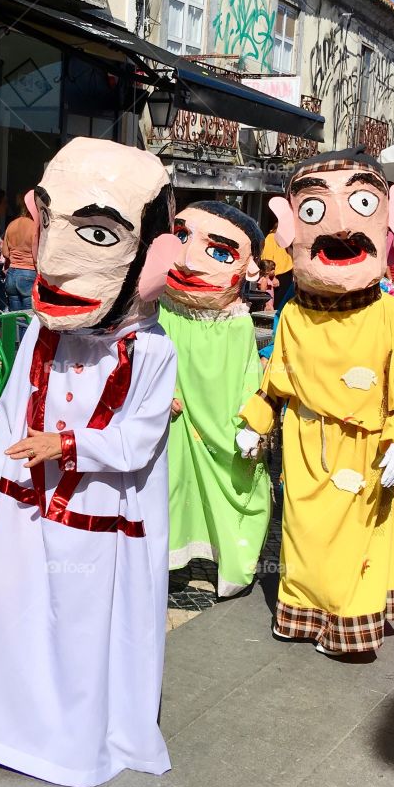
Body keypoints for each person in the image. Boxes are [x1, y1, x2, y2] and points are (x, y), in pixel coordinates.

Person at [0, 138, 180, 787]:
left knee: (76, 627)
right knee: (6, 612)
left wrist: (65, 446)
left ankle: (66, 739)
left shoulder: (151, 351)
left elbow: (138, 441)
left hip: (97, 517)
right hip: (27, 504)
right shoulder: (44, 328)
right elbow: (15, 402)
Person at [237, 150, 394, 658]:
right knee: (301, 537)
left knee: (356, 544)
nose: (340, 227)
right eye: (316, 210)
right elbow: (277, 379)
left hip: (364, 448)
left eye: (360, 203)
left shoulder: (388, 313)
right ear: (291, 224)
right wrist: (256, 422)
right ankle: (302, 617)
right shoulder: (293, 311)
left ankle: (349, 630)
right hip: (303, 440)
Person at [160, 201, 271, 598]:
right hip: (169, 420)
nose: (188, 260)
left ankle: (234, 561)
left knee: (239, 480)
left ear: (248, 269)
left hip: (222, 422)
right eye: (181, 236)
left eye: (221, 252)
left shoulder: (236, 324)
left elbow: (247, 376)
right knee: (171, 482)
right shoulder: (156, 309)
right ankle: (166, 555)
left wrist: (253, 425)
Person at [2, 198, 36, 312]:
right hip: (29, 273)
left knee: (15, 318)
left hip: (11, 274)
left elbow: (5, 253)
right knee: (28, 318)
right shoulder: (34, 227)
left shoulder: (11, 224)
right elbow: (37, 256)